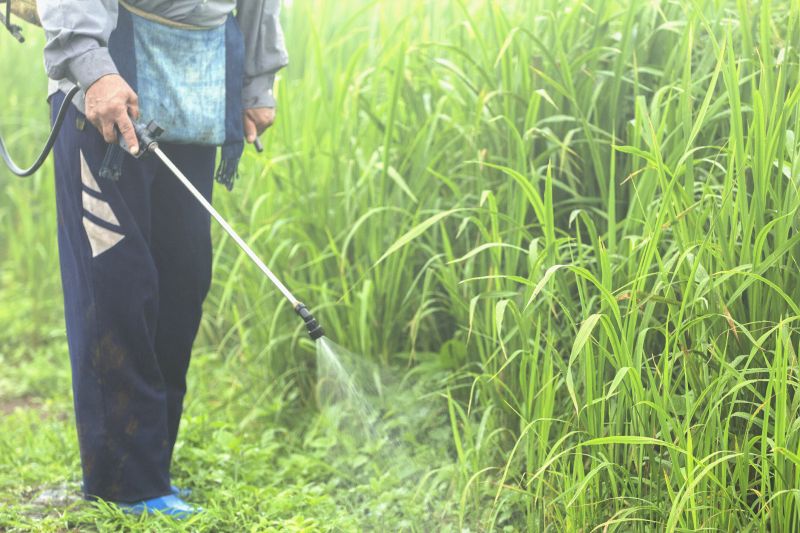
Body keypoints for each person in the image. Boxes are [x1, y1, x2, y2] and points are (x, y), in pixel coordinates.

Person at [35, 0, 288, 517]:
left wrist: (256, 82)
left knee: (183, 279)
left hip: (194, 84)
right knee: (119, 283)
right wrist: (90, 66)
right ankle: (126, 483)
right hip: (106, 82)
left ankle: (151, 464)